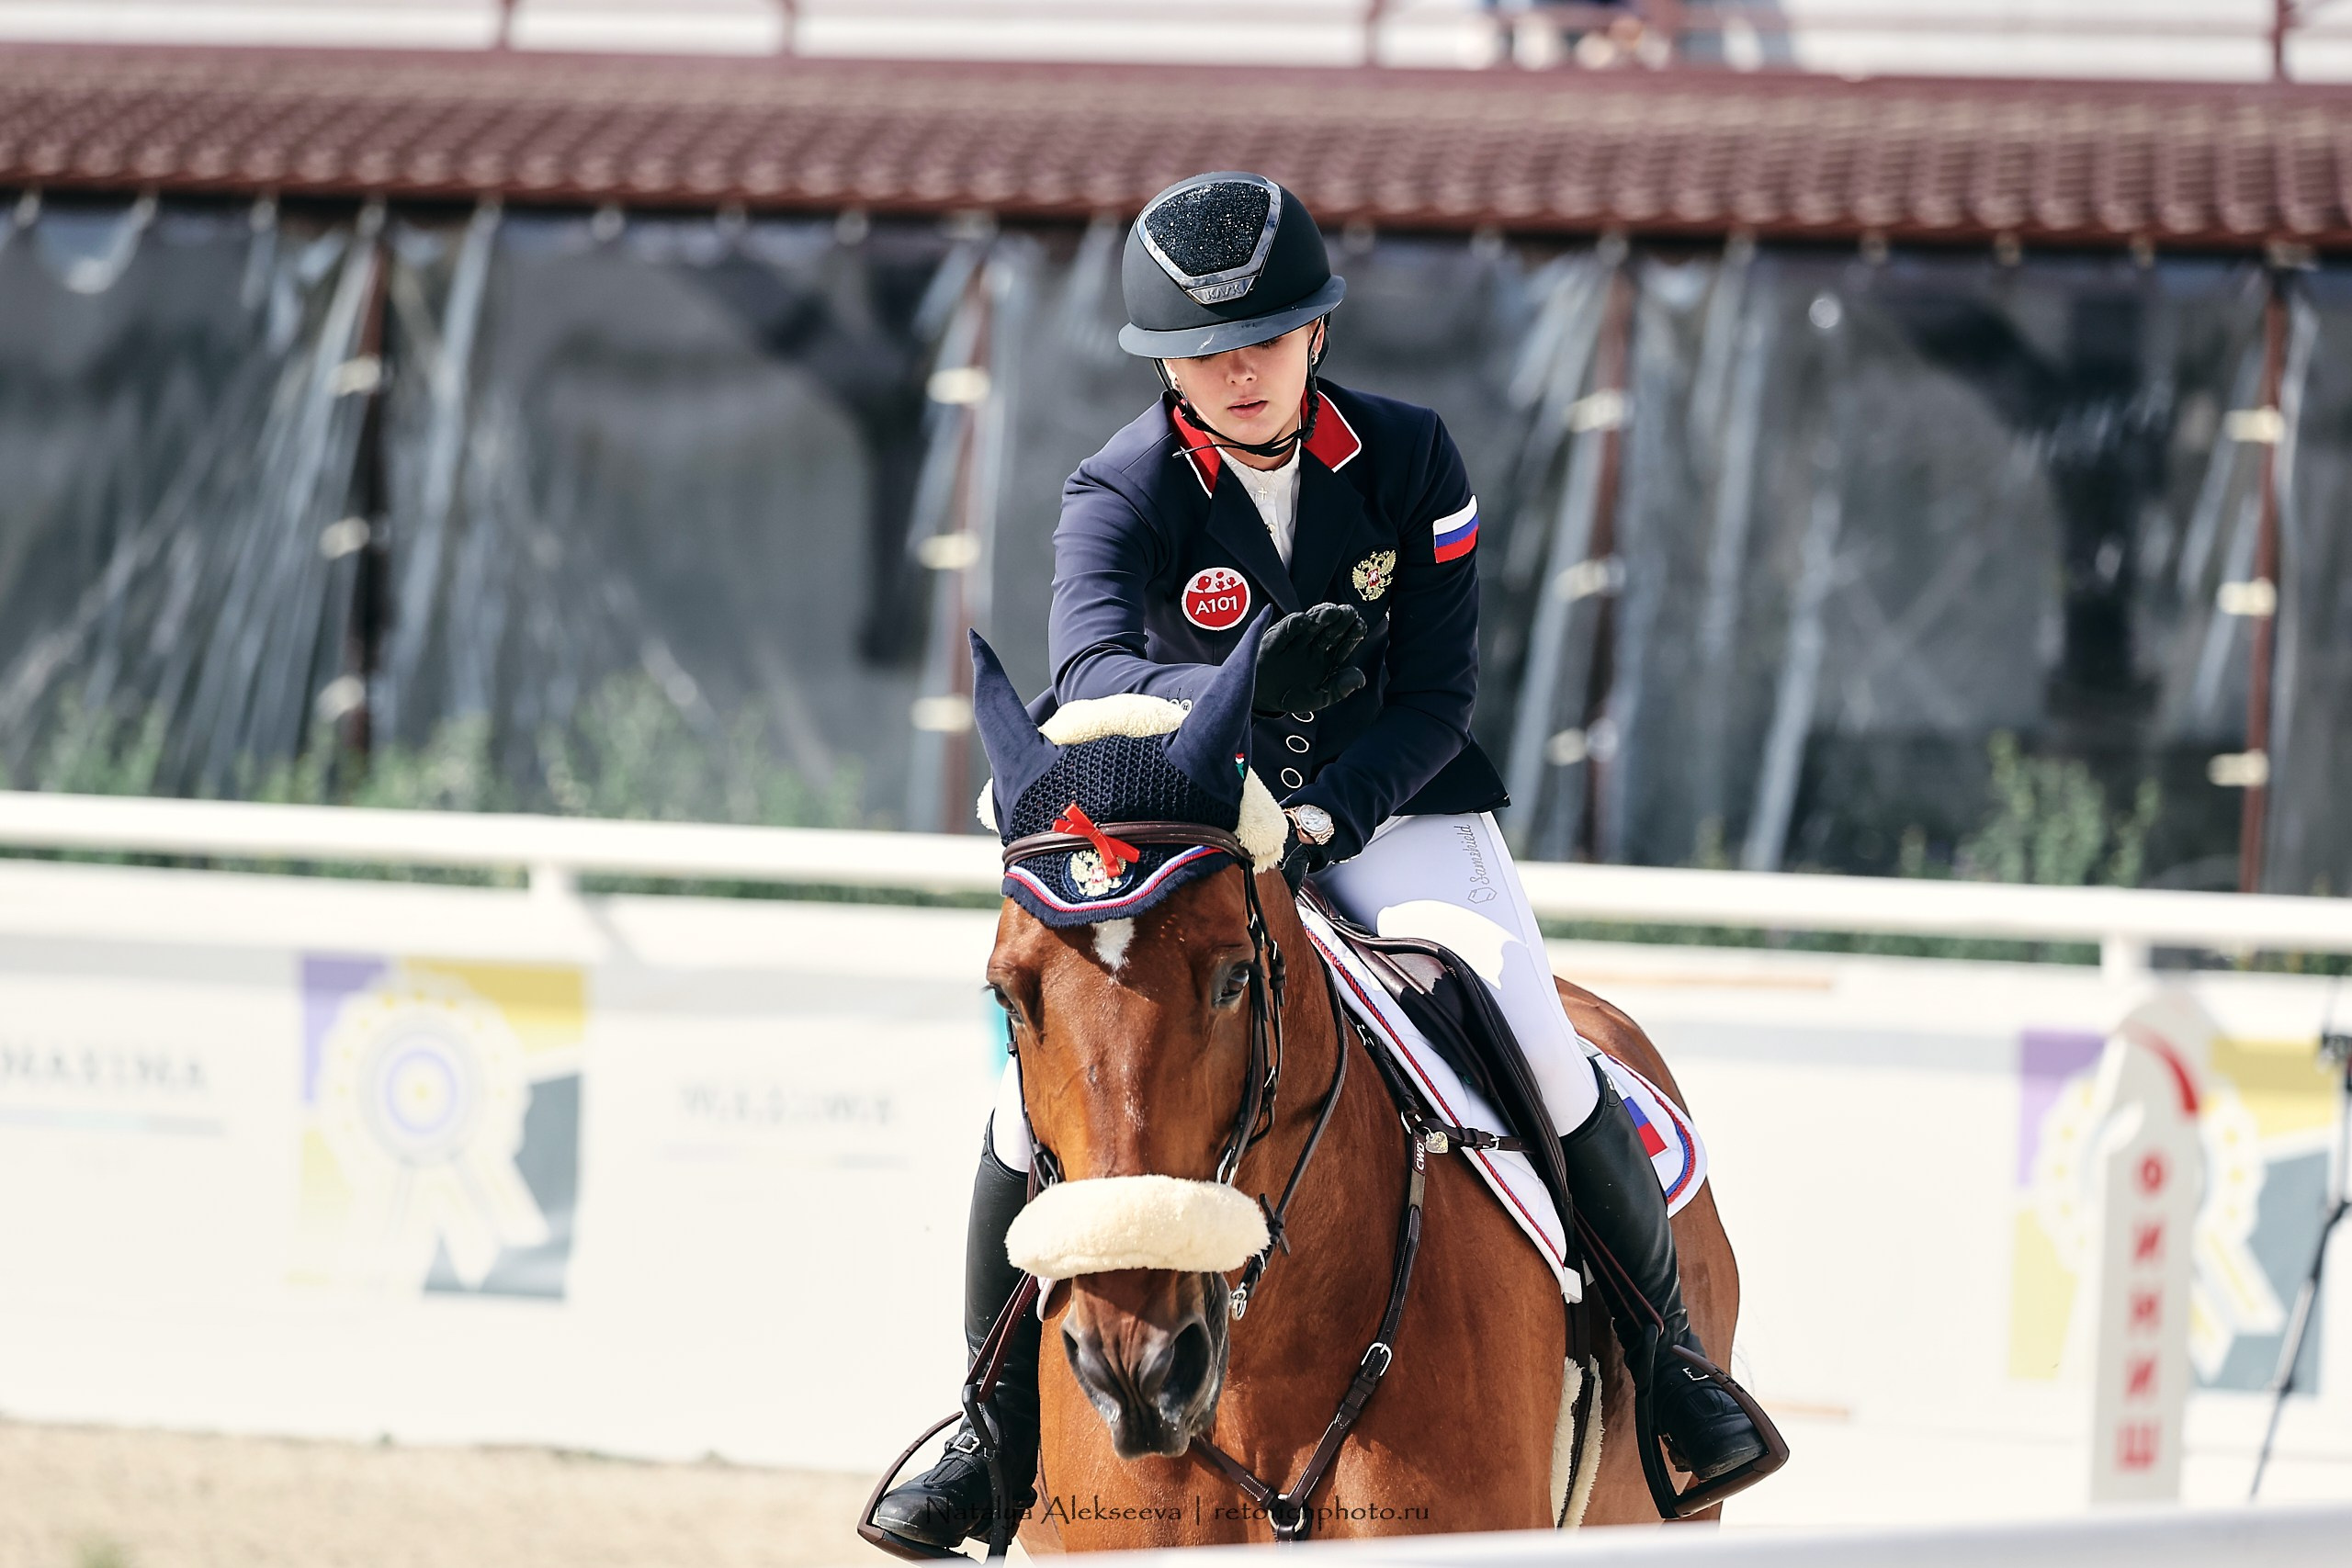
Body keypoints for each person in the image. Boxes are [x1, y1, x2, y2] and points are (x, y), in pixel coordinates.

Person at [871, 171, 1763, 1551]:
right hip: (1201, 831)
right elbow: (1091, 672)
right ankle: (992, 1433)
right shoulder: (1116, 489)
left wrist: (1333, 817)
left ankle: (1673, 1372)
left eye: (1265, 339)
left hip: (1397, 815)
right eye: (1205, 350)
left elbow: (1439, 699)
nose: (1239, 371)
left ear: (1316, 334)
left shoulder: (1413, 460)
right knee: (1018, 1114)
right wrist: (1233, 688)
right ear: (1166, 363)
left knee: (1538, 1039)